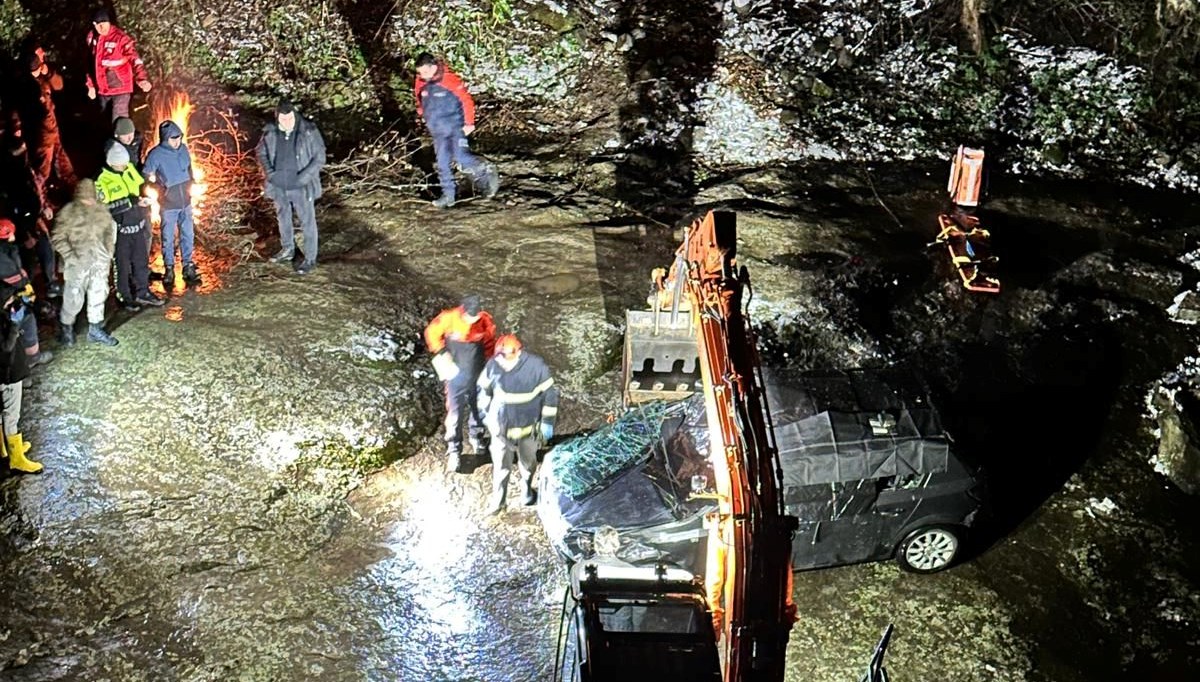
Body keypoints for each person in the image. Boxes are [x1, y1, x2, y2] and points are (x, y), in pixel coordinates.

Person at [477, 333, 559, 514]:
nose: (502, 362)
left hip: (527, 431)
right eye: (500, 357)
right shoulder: (493, 366)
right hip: (501, 432)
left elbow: (550, 395)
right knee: (500, 468)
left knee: (528, 465)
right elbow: (483, 391)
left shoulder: (536, 367)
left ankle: (527, 493)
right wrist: (486, 416)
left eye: (506, 358)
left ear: (518, 353)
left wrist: (547, 423)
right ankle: (499, 502)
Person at [413, 52, 499, 209]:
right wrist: (422, 113)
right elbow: (419, 97)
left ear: (433, 67)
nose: (422, 75)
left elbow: (465, 100)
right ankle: (448, 196)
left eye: (425, 72)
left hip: (454, 125)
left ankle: (485, 170)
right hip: (438, 129)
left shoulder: (448, 79)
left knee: (460, 156)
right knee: (442, 162)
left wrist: (469, 123)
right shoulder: (420, 81)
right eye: (420, 72)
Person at [424, 294, 496, 473]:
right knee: (455, 413)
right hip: (455, 374)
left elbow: (489, 344)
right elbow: (431, 333)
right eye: (470, 317)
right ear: (463, 311)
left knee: (479, 408)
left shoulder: (485, 321)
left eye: (476, 317)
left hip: (477, 372)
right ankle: (454, 450)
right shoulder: (449, 318)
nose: (473, 321)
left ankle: (477, 438)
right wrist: (441, 351)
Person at [256, 99, 325, 275]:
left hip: (301, 185)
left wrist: (304, 178)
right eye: (282, 119)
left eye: (289, 118)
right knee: (283, 217)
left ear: (295, 115)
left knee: (307, 221)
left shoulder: (308, 131)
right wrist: (270, 174)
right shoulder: (270, 132)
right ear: (277, 117)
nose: (286, 122)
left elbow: (319, 157)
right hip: (279, 184)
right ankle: (288, 249)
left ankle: (310, 258)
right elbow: (261, 152)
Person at [51, 179, 117, 346]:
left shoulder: (101, 210)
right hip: (76, 264)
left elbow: (109, 232)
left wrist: (108, 253)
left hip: (98, 263)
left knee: (98, 294)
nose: (89, 202)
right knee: (72, 297)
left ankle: (95, 329)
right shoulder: (68, 213)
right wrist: (70, 257)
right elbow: (58, 238)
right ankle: (67, 329)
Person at [96, 142, 162, 310]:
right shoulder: (101, 180)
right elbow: (103, 208)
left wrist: (150, 188)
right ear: (111, 163)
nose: (125, 166)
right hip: (119, 231)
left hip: (137, 226)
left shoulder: (129, 169)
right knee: (122, 265)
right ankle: (124, 295)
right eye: (121, 164)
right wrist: (130, 202)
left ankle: (142, 292)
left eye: (126, 163)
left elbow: (141, 184)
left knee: (141, 261)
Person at [143, 120, 199, 286]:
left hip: (186, 202)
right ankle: (169, 269)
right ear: (165, 138)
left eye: (179, 138)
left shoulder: (183, 149)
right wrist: (159, 188)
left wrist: (192, 182)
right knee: (168, 237)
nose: (177, 142)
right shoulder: (156, 154)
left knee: (188, 234)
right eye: (173, 139)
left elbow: (189, 168)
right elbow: (145, 176)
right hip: (168, 204)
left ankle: (188, 266)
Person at [0, 137, 58, 297]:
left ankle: (50, 283)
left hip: (34, 218)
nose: (24, 155)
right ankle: (26, 294)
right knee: (27, 262)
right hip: (19, 228)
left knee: (46, 248)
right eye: (20, 152)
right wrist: (26, 234)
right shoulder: (9, 178)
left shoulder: (26, 170)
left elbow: (38, 189)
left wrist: (44, 205)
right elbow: (12, 210)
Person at [18, 44, 75, 193]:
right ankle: (38, 198)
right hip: (42, 132)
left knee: (62, 161)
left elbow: (59, 85)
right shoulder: (27, 83)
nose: (43, 56)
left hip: (51, 128)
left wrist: (49, 73)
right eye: (39, 54)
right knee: (43, 167)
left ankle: (74, 189)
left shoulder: (44, 74)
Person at [0, 282, 40, 474]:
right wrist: (15, 325)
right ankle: (16, 459)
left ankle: (3, 450)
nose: (11, 300)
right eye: (8, 298)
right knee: (11, 414)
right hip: (7, 375)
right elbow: (6, 348)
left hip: (4, 373)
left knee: (1, 414)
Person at [85, 9, 151, 122]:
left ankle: (124, 138)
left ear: (109, 23)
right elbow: (90, 64)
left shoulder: (121, 38)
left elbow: (135, 59)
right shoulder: (92, 39)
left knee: (119, 122)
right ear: (94, 25)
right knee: (104, 123)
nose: (102, 27)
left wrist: (142, 79)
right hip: (103, 90)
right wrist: (90, 85)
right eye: (98, 24)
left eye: (104, 23)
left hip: (120, 89)